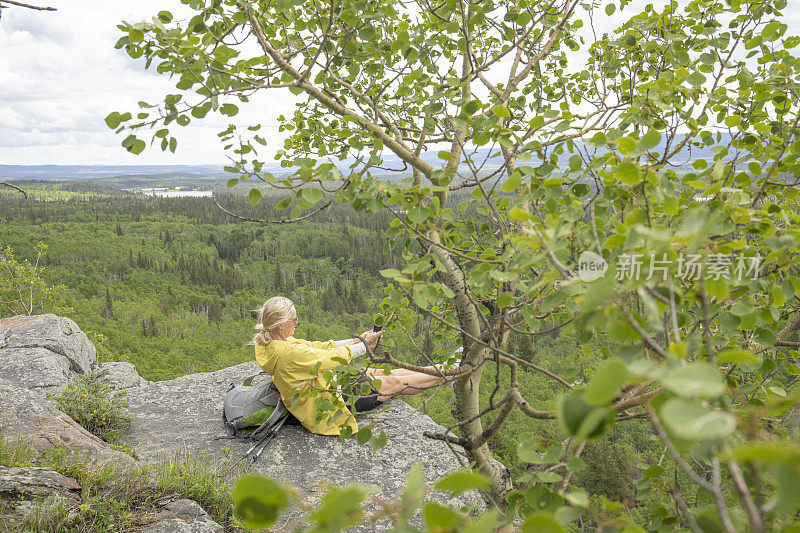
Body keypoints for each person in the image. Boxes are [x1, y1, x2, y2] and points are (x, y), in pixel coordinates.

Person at [253, 296, 447, 436]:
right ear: (280, 325)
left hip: (326, 384)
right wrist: (363, 346)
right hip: (327, 402)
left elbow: (318, 347)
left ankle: (440, 369)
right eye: (294, 319)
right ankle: (448, 375)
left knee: (379, 372)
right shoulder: (289, 352)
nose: (297, 322)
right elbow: (328, 358)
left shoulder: (274, 342)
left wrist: (356, 341)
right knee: (394, 382)